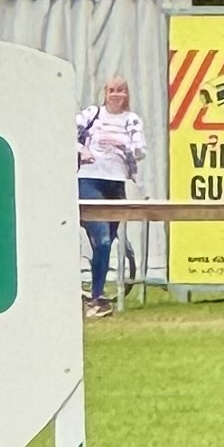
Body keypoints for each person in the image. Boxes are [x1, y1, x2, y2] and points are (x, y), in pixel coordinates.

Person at [75, 77, 147, 317]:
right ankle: (95, 297)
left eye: (121, 91)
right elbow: (64, 131)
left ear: (127, 95)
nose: (116, 95)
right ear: (105, 93)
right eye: (112, 90)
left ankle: (97, 298)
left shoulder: (131, 120)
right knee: (102, 239)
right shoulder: (92, 114)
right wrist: (81, 150)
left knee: (105, 246)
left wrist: (121, 144)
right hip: (89, 179)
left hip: (116, 184)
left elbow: (140, 151)